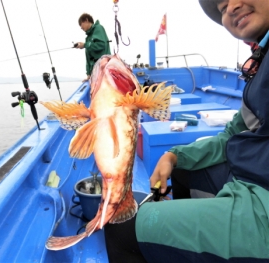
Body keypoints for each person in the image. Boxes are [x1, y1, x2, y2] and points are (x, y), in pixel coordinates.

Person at [104, 0, 269, 262]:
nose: (232, 7)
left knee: (120, 229)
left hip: (262, 204)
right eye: (223, 7)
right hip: (248, 177)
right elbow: (230, 136)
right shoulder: (261, 66)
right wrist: (175, 155)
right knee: (181, 169)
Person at [75, 13, 111, 82]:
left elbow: (101, 45)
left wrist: (85, 45)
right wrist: (88, 74)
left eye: (81, 24)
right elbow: (88, 58)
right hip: (95, 73)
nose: (81, 27)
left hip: (105, 69)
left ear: (86, 20)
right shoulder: (88, 38)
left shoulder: (99, 28)